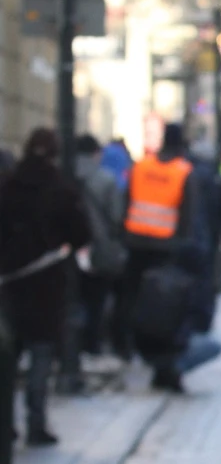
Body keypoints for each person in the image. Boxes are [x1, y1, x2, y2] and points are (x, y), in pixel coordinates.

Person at [0, 128, 92, 444]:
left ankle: (6, 423)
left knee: (8, 356)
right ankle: (35, 424)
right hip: (46, 285)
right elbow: (81, 233)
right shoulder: (60, 188)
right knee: (41, 354)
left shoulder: (8, 186)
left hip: (8, 285)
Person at [122, 123, 201, 391]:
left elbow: (126, 202)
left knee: (137, 305)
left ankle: (138, 353)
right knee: (166, 311)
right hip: (167, 251)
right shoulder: (183, 172)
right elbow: (188, 217)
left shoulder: (141, 166)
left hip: (136, 247)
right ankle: (165, 367)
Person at [74, 133, 127, 355]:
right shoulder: (106, 179)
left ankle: (70, 347)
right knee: (96, 299)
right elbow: (116, 216)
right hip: (99, 247)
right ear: (96, 153)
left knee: (72, 297)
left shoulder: (64, 173)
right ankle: (92, 344)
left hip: (67, 248)